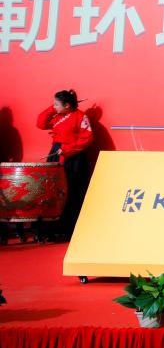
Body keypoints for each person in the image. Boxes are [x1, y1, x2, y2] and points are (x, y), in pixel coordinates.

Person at [36, 89, 94, 239]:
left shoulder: (80, 116)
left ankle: (70, 228)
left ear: (67, 105)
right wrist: (53, 108)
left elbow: (87, 138)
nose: (54, 106)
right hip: (56, 152)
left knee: (72, 189)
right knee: (55, 190)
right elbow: (41, 123)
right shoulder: (58, 116)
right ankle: (52, 228)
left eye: (56, 104)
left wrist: (67, 149)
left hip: (73, 156)